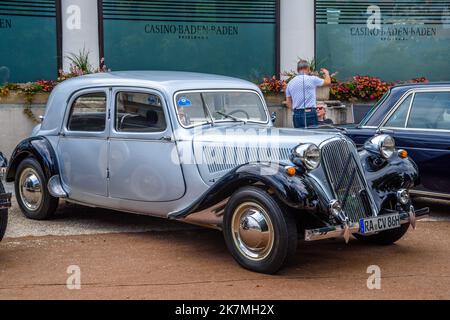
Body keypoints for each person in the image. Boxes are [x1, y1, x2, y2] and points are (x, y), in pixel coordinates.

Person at [286, 60, 331, 128]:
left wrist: (297, 111)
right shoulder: (312, 79)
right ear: (308, 68)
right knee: (312, 136)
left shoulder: (290, 83)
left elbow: (288, 103)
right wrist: (327, 73)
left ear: (298, 70)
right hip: (310, 112)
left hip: (297, 114)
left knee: (299, 137)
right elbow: (328, 82)